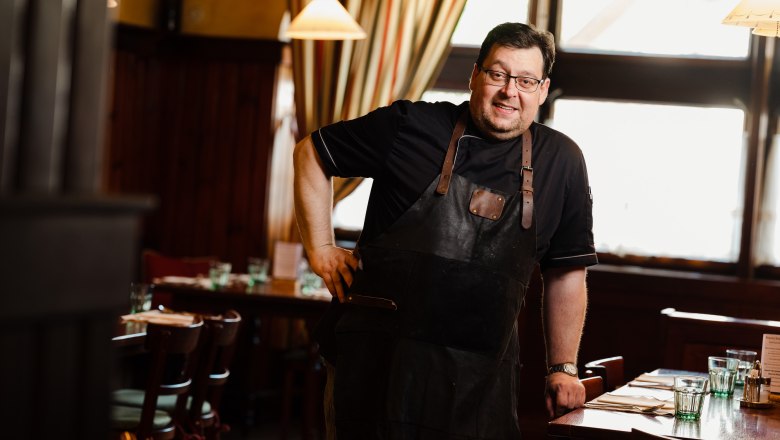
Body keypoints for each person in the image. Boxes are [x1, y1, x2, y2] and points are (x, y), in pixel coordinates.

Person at [293, 22, 597, 439]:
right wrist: (322, 246)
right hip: (376, 366)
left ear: (542, 91)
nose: (511, 91)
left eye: (526, 80)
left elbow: (566, 271)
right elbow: (312, 152)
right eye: (498, 74)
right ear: (475, 75)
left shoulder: (562, 161)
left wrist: (563, 368)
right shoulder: (410, 125)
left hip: (481, 379)